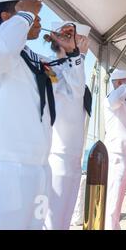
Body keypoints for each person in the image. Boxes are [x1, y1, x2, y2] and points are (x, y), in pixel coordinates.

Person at [0, 0, 83, 229]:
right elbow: (5, 49)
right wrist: (25, 16)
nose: (38, 19)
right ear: (7, 18)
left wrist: (72, 53)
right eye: (31, 14)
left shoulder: (37, 61)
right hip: (2, 169)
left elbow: (73, 90)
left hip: (38, 169)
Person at [44, 21, 91, 230]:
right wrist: (74, 56)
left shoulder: (74, 71)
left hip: (74, 159)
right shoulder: (49, 68)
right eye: (68, 35)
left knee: (64, 223)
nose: (74, 40)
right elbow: (75, 88)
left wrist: (76, 57)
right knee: (51, 223)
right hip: (56, 157)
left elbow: (77, 84)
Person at [104, 69, 126, 229]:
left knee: (117, 197)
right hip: (117, 152)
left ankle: (113, 226)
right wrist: (125, 86)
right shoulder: (113, 99)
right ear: (118, 83)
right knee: (114, 197)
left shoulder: (124, 101)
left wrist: (125, 85)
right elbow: (113, 100)